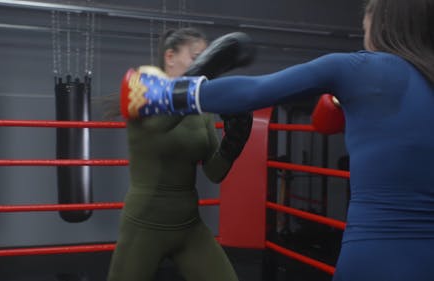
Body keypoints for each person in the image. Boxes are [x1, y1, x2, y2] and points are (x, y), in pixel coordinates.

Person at [119, 0, 434, 280]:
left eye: (364, 29)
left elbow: (255, 91)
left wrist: (157, 95)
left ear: (380, 27)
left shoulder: (358, 67)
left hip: (374, 255)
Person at [107, 27, 254, 281]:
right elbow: (159, 124)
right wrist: (205, 70)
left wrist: (235, 140)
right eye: (197, 56)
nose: (204, 62)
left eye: (206, 57)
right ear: (170, 56)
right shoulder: (144, 82)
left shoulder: (201, 109)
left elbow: (214, 171)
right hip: (145, 224)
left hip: (188, 226)